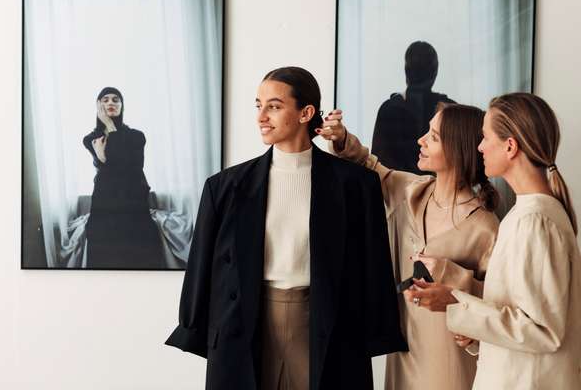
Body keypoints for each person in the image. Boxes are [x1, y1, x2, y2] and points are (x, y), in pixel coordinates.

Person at [165, 67, 407, 390]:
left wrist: (377, 332)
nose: (261, 117)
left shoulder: (355, 185)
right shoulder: (225, 187)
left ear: (306, 113)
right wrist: (194, 326)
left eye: (274, 106)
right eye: (258, 105)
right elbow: (201, 270)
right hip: (245, 326)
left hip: (328, 326)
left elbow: (374, 267)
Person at [318, 102, 499, 390]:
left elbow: (498, 304)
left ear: (457, 148)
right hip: (404, 352)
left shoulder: (485, 227)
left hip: (450, 361)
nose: (421, 140)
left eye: (433, 136)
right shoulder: (411, 192)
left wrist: (452, 276)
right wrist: (341, 140)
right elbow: (369, 167)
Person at [409, 93, 581, 389]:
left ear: (510, 146)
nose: (479, 147)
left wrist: (455, 301)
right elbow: (518, 317)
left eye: (485, 137)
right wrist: (474, 332)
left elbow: (542, 330)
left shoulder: (535, 221)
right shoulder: (525, 215)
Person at [82, 87, 163, 269]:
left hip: (132, 197)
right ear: (98, 106)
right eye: (105, 99)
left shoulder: (137, 136)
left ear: (122, 106)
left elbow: (133, 169)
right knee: (101, 238)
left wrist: (110, 131)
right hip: (106, 200)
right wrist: (102, 160)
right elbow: (117, 169)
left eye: (116, 100)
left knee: (140, 241)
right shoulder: (90, 139)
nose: (111, 103)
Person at [371, 41, 454, 174]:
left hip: (396, 191)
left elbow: (379, 166)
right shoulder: (450, 111)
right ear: (435, 72)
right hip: (436, 191)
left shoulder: (388, 109)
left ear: (406, 71)